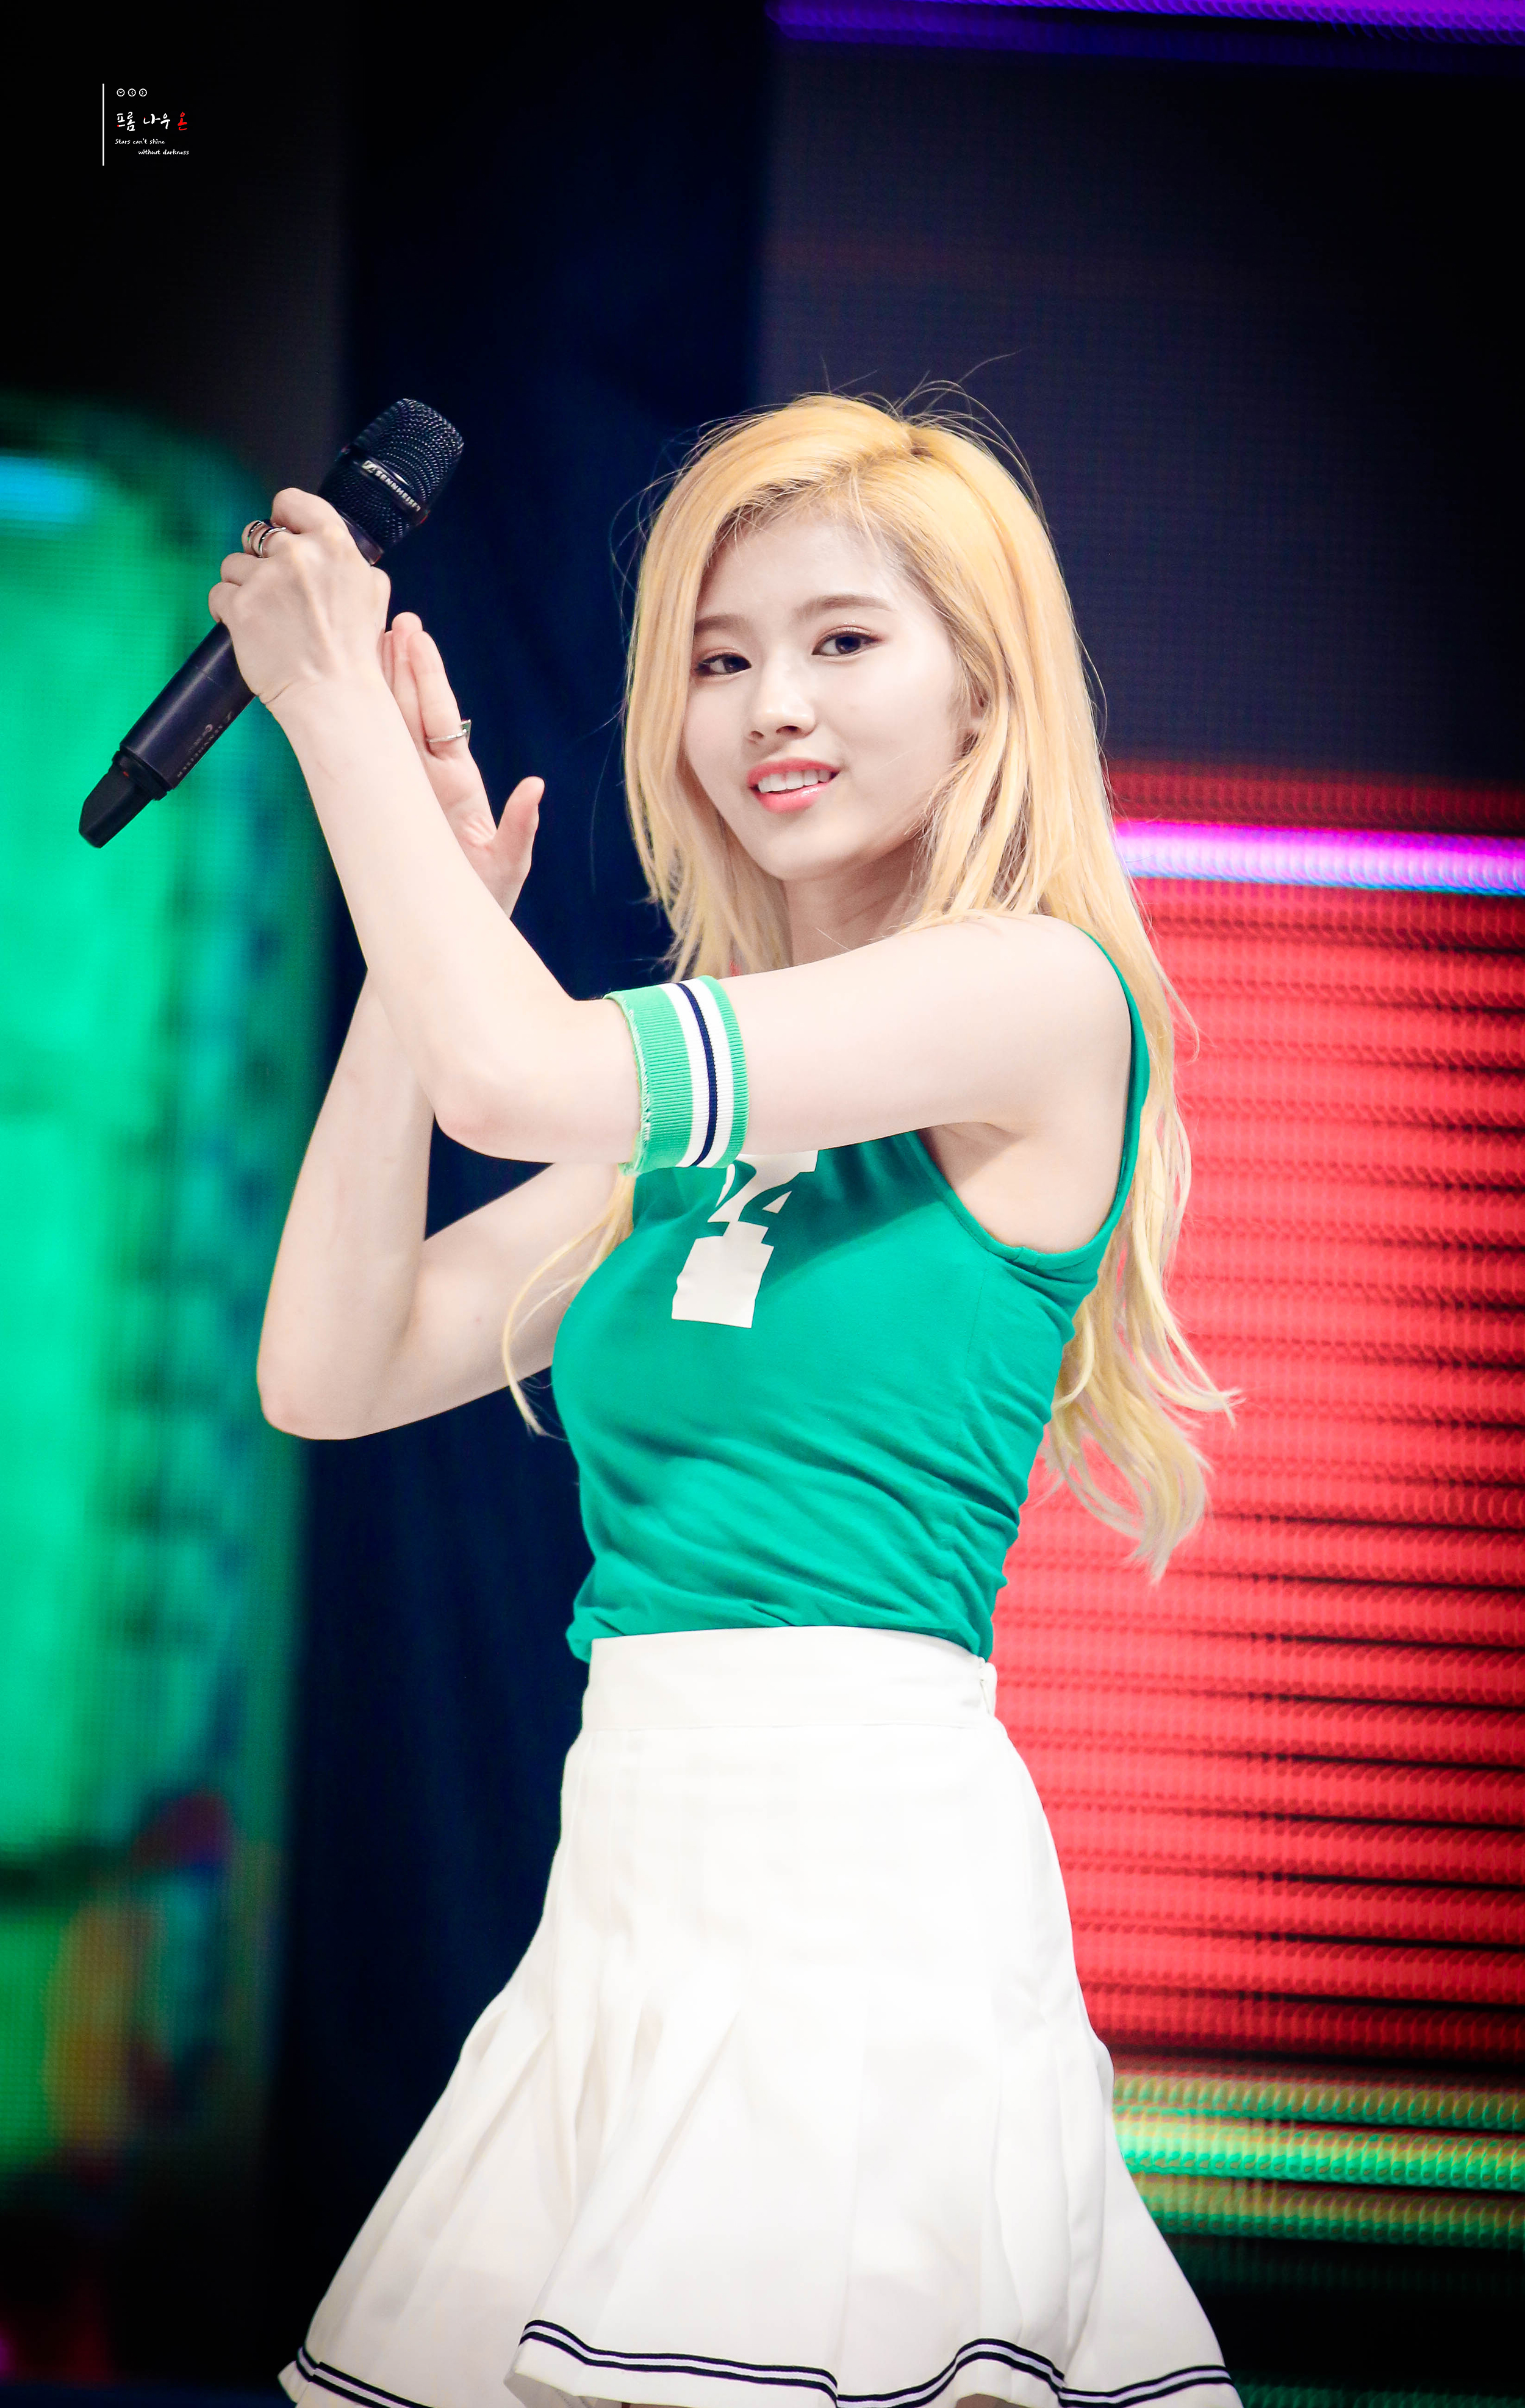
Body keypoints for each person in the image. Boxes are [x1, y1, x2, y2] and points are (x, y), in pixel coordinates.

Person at [232, 395, 1238, 2408]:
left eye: (842, 639)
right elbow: (330, 1368)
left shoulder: (1037, 992)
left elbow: (518, 1073)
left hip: (853, 1891)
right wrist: (428, 926)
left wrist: (332, 708)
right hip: (629, 1890)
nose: (770, 701)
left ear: (982, 693)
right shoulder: (682, 1144)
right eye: (718, 654)